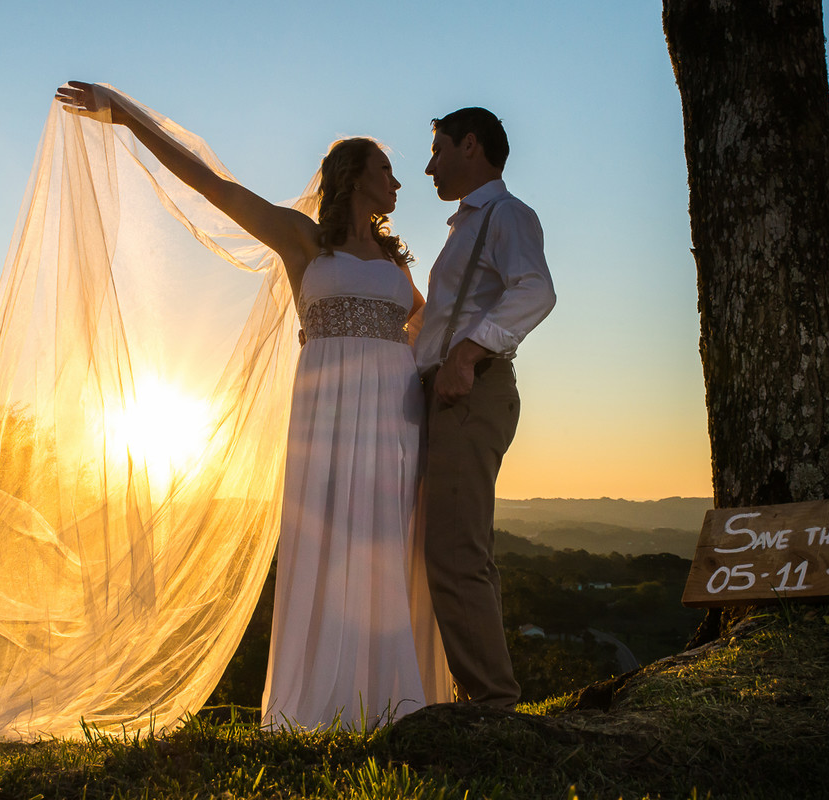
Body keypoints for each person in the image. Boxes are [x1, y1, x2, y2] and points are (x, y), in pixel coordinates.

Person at [55, 82, 449, 729]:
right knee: (333, 541)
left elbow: (424, 321)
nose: (398, 182)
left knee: (388, 539)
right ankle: (326, 700)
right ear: (353, 177)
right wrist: (125, 115)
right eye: (386, 169)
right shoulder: (303, 240)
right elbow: (215, 187)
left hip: (394, 414)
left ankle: (395, 696)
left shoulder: (392, 257)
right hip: (328, 412)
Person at [413, 107, 556, 708]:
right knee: (458, 546)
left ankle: (493, 705)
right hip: (451, 394)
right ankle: (485, 699)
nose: (429, 167)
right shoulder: (466, 224)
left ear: (470, 145)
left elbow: (537, 289)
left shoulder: (506, 214)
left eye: (438, 150)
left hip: (471, 393)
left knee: (455, 551)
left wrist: (467, 355)